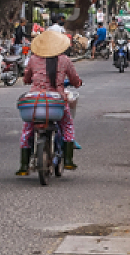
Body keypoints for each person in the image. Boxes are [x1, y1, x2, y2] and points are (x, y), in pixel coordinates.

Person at [18, 27, 82, 175]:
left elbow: (26, 78)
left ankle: (23, 165)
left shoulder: (33, 59)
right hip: (56, 103)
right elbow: (74, 79)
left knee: (27, 129)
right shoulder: (64, 60)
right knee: (67, 125)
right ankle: (68, 160)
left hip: (35, 102)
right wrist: (78, 83)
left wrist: (30, 80)